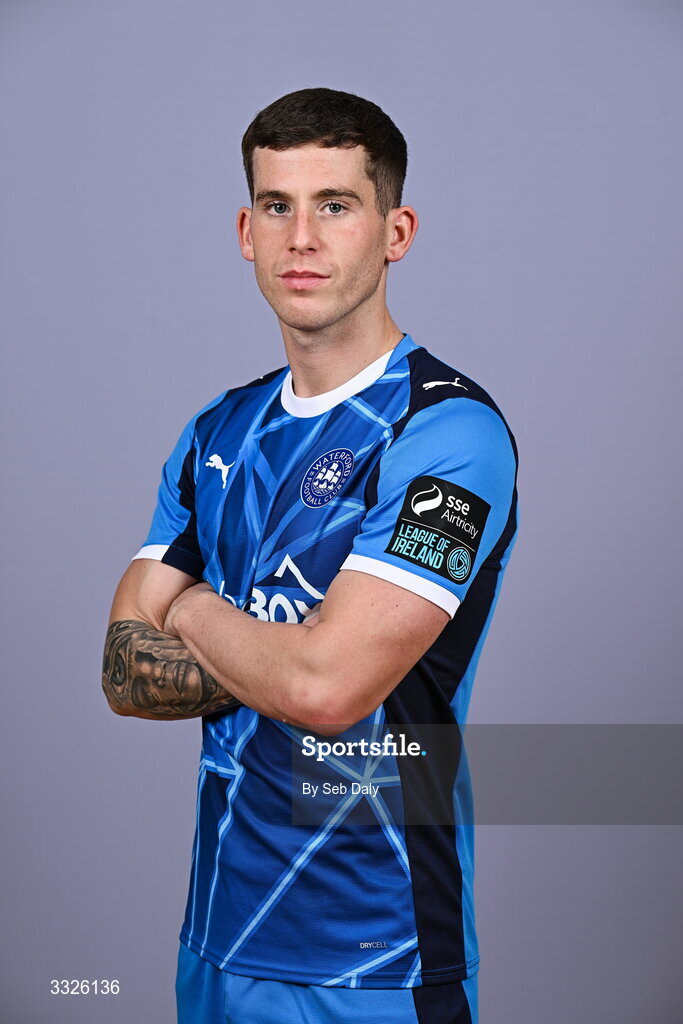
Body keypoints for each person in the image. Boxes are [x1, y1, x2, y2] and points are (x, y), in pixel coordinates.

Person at [102, 87, 518, 1024]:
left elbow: (329, 690)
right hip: (215, 938)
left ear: (394, 231)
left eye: (335, 205)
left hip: (375, 956)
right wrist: (282, 653)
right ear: (244, 232)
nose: (301, 238)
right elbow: (123, 668)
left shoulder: (447, 434)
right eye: (276, 206)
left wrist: (194, 608)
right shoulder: (218, 430)